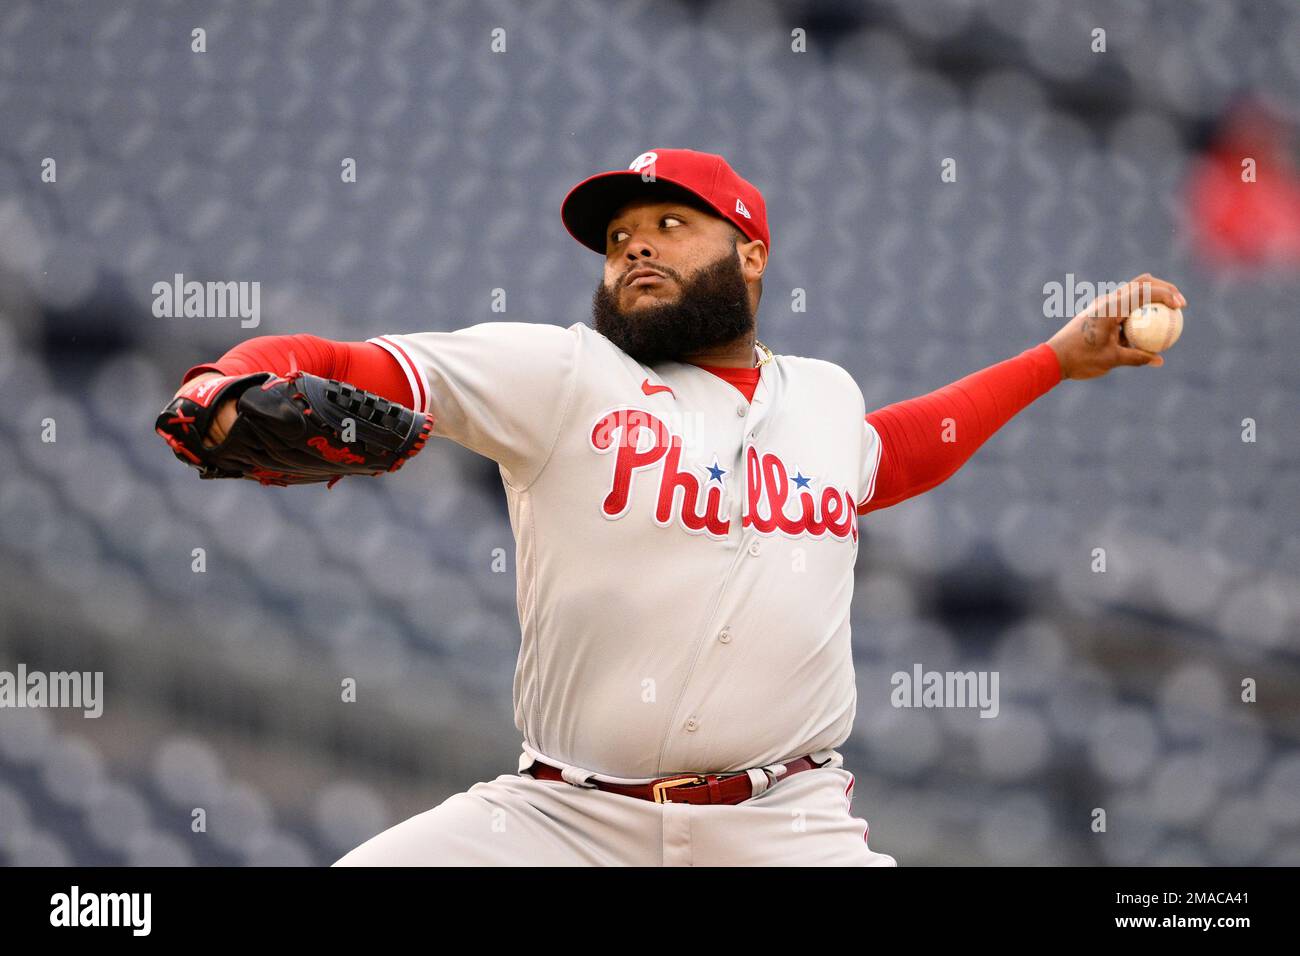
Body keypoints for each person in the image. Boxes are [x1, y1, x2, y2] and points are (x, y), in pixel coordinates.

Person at [169, 148, 1183, 866]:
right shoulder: (561, 372)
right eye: (617, 238)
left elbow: (893, 452)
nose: (635, 249)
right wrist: (224, 380)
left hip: (785, 822)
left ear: (750, 253)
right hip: (561, 820)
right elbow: (342, 362)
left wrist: (1055, 360)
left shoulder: (822, 395)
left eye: (669, 224)